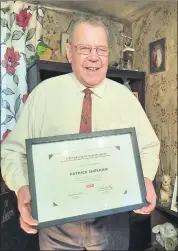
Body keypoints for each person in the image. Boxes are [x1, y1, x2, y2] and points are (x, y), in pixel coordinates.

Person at [1, 17, 160, 250]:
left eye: (101, 49)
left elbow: (148, 146)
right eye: (84, 48)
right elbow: (13, 151)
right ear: (69, 52)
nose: (93, 57)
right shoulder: (43, 95)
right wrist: (22, 186)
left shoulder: (126, 98)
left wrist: (145, 178)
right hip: (56, 227)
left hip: (112, 224)